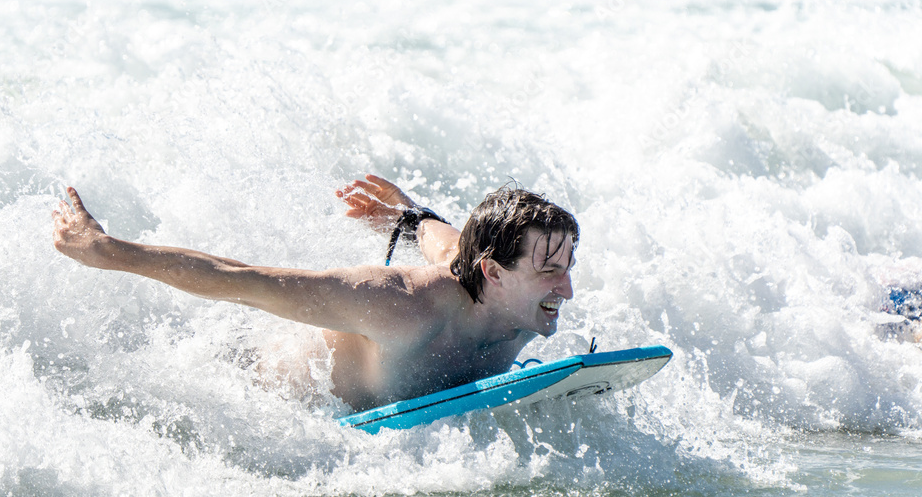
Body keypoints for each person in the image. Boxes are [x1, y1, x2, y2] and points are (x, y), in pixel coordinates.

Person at [52, 175, 579, 412]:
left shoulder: (515, 299)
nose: (568, 290)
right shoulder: (399, 304)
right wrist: (105, 250)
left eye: (568, 268)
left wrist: (409, 215)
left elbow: (447, 247)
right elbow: (239, 280)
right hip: (264, 386)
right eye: (551, 270)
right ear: (492, 272)